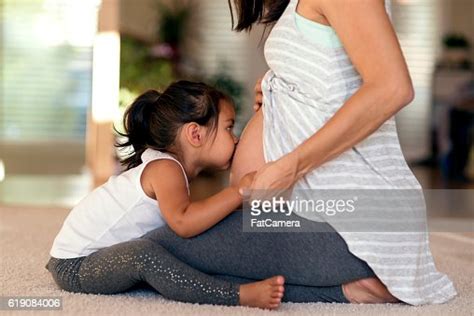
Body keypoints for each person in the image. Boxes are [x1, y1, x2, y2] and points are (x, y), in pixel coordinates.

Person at [141, 0, 457, 306]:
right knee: (178, 253)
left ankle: (359, 283)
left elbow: (393, 87)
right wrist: (277, 85)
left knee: (153, 249)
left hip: (348, 225)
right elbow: (333, 78)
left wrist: (289, 167)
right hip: (322, 218)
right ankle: (352, 287)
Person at [45, 81, 286, 309]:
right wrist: (238, 191)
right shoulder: (166, 169)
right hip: (75, 267)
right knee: (144, 255)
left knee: (175, 243)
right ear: (195, 134)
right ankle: (236, 295)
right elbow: (183, 222)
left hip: (95, 260)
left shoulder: (169, 168)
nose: (236, 139)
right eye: (229, 127)